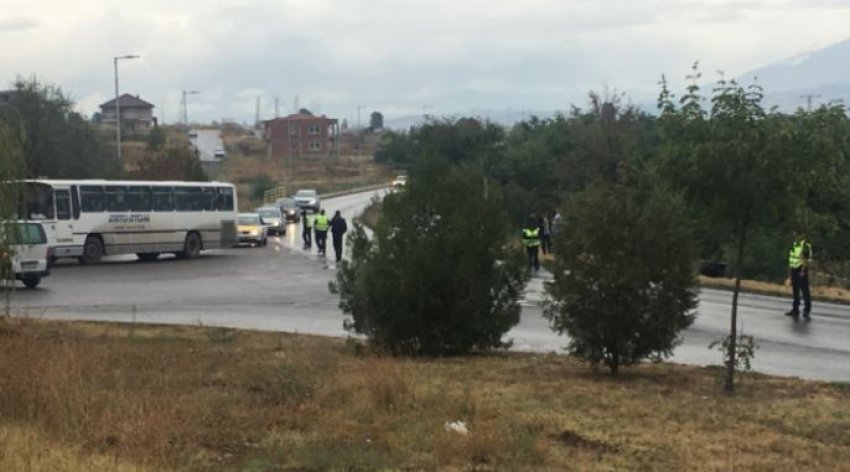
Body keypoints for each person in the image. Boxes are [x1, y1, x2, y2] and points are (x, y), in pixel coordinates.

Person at [785, 230, 813, 321]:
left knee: (805, 292)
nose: (794, 236)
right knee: (795, 291)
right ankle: (795, 309)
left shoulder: (805, 245)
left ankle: (806, 311)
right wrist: (789, 274)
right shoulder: (793, 245)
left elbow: (806, 259)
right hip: (794, 269)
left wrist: (803, 270)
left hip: (801, 270)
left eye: (796, 234)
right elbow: (791, 259)